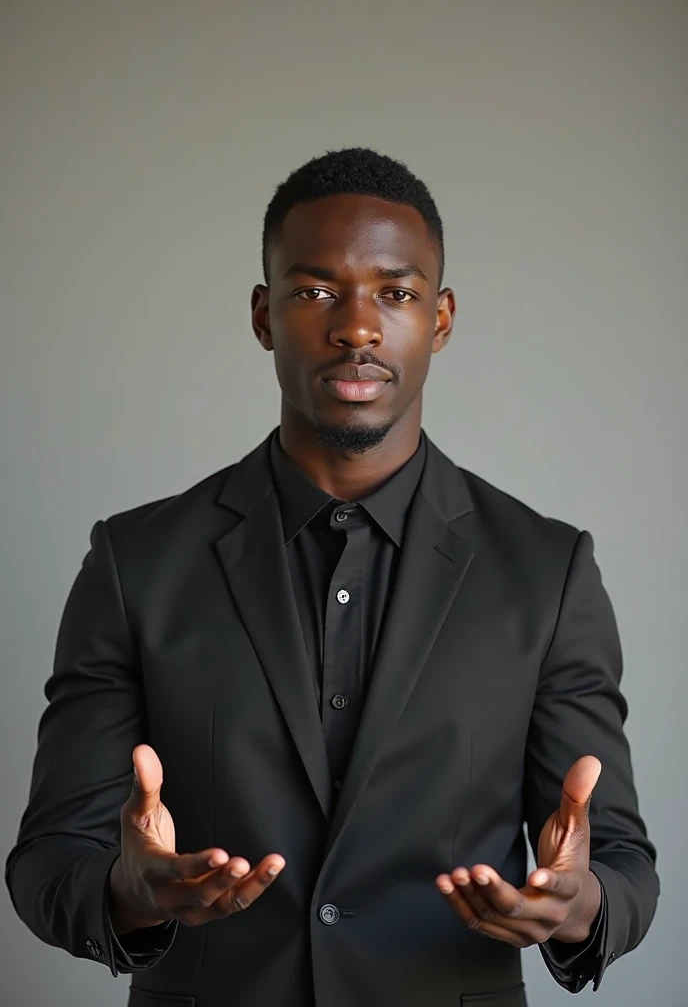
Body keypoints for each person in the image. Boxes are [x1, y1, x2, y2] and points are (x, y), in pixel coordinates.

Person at [6, 148, 658, 1007]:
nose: (357, 327)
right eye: (315, 291)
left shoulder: (547, 571)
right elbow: (49, 859)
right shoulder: (138, 564)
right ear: (263, 314)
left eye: (397, 293)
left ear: (443, 317)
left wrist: (579, 905)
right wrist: (132, 893)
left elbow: (618, 865)